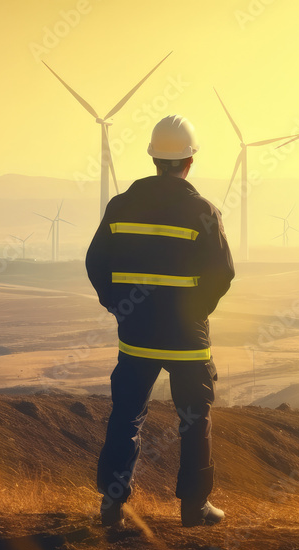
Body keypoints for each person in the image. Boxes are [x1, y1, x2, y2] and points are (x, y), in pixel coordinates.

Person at [85, 115, 234, 528]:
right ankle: (195, 507)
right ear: (189, 161)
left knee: (127, 415)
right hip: (187, 336)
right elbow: (223, 273)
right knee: (195, 418)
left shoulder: (120, 205)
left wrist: (118, 304)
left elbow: (95, 261)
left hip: (136, 334)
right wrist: (195, 310)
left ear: (154, 159)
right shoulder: (203, 211)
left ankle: (113, 506)